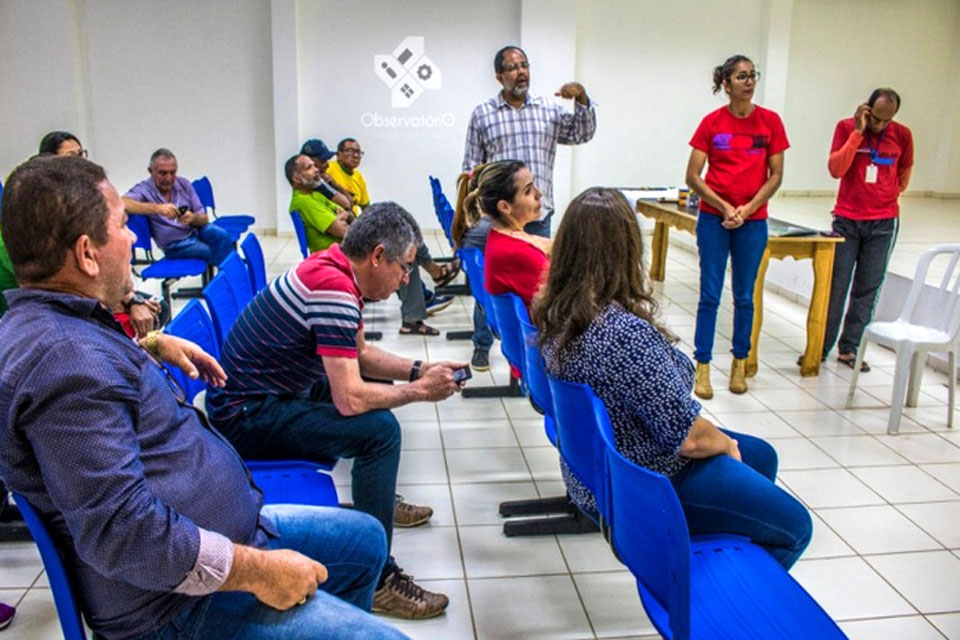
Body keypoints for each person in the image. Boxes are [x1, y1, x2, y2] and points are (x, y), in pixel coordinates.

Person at [0, 155, 409, 640]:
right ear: (88, 254)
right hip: (173, 607)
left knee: (366, 542)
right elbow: (127, 535)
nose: (134, 238)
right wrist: (258, 572)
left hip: (224, 537)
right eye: (123, 226)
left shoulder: (58, 324)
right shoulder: (67, 364)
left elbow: (99, 392)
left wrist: (149, 343)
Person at [206, 202, 466, 620]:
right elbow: (350, 399)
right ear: (378, 255)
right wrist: (420, 390)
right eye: (404, 268)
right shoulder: (335, 292)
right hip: (245, 416)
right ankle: (379, 577)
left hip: (264, 396)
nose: (405, 280)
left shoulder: (335, 267)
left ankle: (376, 495)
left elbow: (359, 355)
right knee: (380, 431)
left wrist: (420, 368)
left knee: (376, 407)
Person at [534, 187, 812, 570]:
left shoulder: (558, 313)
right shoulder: (621, 333)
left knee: (762, 455)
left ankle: (728, 548)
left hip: (602, 470)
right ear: (627, 250)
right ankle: (719, 598)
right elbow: (689, 438)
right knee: (796, 526)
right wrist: (725, 443)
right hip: (648, 481)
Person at [685, 54, 788, 399]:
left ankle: (739, 363)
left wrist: (747, 209)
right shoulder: (712, 123)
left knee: (745, 296)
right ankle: (702, 366)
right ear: (725, 85)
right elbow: (693, 176)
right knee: (710, 295)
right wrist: (725, 207)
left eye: (752, 75)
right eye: (741, 76)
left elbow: (776, 175)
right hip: (715, 219)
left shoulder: (770, 122)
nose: (749, 81)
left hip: (752, 221)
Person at [312, 137, 457, 334]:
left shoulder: (355, 178)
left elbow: (363, 207)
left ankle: (426, 294)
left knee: (408, 239)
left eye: (358, 152)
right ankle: (425, 296)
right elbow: (343, 218)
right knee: (403, 254)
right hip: (347, 242)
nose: (355, 156)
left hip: (356, 228)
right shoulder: (321, 184)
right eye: (349, 151)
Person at [821, 88, 913, 372]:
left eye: (887, 120)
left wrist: (883, 199)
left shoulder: (903, 135)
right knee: (836, 286)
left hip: (883, 224)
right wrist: (858, 133)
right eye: (876, 118)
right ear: (866, 109)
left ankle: (849, 349)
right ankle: (820, 347)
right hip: (847, 220)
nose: (880, 125)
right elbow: (836, 169)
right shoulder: (847, 128)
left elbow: (904, 174)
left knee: (867, 289)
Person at [462, 46, 596, 238]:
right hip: (500, 219)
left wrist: (581, 98)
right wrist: (478, 213)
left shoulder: (548, 111)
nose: (522, 71)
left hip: (537, 217)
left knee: (538, 268)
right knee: (503, 268)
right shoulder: (483, 114)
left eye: (524, 65)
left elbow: (582, 133)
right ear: (499, 77)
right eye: (513, 67)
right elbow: (471, 168)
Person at [121, 148, 234, 266]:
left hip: (195, 231)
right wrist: (158, 208)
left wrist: (193, 218)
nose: (168, 178)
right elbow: (123, 202)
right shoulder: (144, 189)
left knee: (223, 236)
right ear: (151, 171)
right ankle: (230, 279)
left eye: (172, 173)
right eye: (162, 173)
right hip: (175, 245)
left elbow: (204, 219)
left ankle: (228, 277)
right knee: (217, 252)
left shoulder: (184, 184)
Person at [471, 161, 550, 306]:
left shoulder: (500, 235)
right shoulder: (518, 252)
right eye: (528, 191)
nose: (539, 193)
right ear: (505, 207)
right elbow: (560, 297)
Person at [451, 167, 495, 371]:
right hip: (493, 304)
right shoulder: (491, 230)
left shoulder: (475, 223)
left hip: (483, 295)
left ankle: (481, 345)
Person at [286, 153, 355, 253]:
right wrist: (343, 216)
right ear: (296, 179)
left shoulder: (315, 195)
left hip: (342, 252)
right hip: (332, 258)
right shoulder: (303, 201)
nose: (317, 169)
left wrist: (343, 215)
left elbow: (347, 208)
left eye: (314, 165)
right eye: (309, 168)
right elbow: (343, 231)